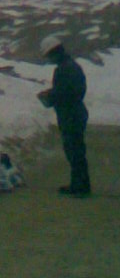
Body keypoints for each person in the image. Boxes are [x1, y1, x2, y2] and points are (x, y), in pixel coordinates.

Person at [38, 35, 91, 196]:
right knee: (76, 150)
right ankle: (78, 184)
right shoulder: (72, 66)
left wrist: (50, 97)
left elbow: (65, 92)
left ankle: (80, 187)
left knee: (74, 151)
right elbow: (74, 90)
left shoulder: (64, 69)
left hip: (71, 115)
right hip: (74, 113)